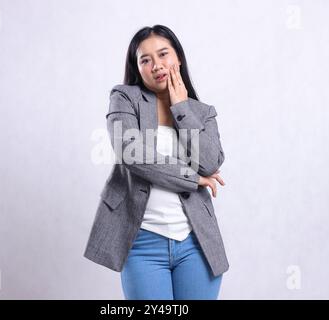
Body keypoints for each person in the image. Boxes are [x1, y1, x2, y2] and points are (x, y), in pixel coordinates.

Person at [84, 24, 229, 300]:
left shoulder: (203, 113)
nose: (156, 65)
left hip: (196, 245)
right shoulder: (125, 99)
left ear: (178, 58)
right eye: (145, 60)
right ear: (137, 68)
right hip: (141, 244)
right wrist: (193, 179)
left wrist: (181, 108)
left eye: (163, 54)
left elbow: (209, 163)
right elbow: (133, 155)